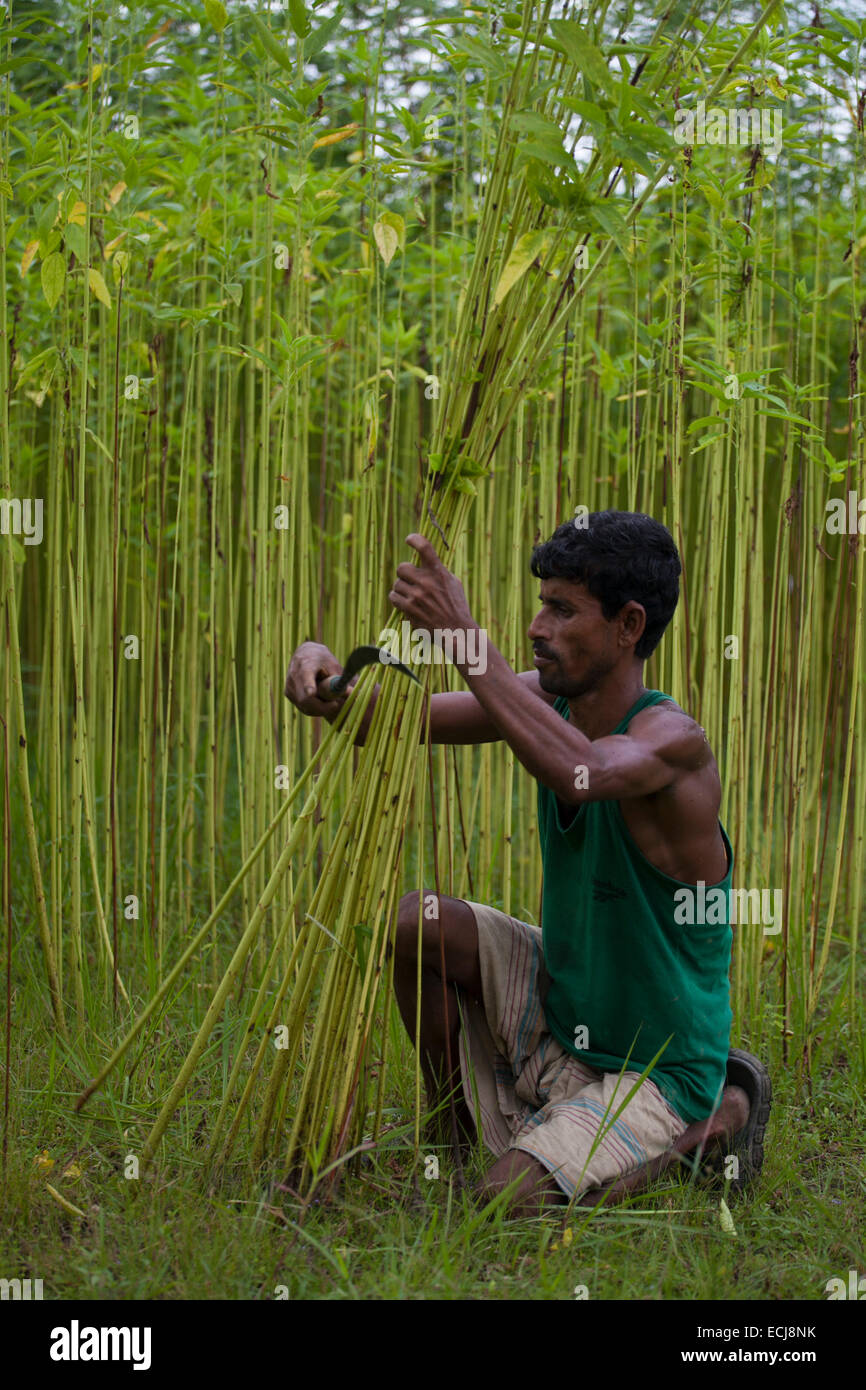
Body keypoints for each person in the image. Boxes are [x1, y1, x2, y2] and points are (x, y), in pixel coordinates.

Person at [283, 510, 771, 1216]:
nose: (538, 627)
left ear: (629, 626)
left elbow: (579, 769)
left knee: (503, 1205)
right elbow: (390, 721)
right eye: (542, 605)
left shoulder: (673, 743)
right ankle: (449, 1142)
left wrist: (461, 634)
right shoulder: (551, 700)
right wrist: (322, 672)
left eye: (562, 610)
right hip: (569, 1012)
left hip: (654, 1070)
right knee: (418, 924)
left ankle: (708, 1127)